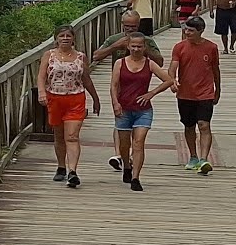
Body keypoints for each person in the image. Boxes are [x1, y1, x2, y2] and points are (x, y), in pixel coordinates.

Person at [92, 10, 163, 172]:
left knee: (136, 126)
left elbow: (159, 61)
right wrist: (116, 46)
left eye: (133, 26)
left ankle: (132, 155)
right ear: (122, 25)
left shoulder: (146, 41)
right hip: (119, 86)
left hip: (139, 87)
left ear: (139, 25)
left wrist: (142, 49)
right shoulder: (114, 39)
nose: (130, 29)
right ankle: (119, 155)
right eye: (127, 26)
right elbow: (96, 56)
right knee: (120, 122)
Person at [37, 25, 101, 188]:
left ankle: (73, 172)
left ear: (73, 38)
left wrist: (95, 98)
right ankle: (61, 166)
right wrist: (41, 92)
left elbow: (86, 78)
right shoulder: (49, 55)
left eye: (68, 36)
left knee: (72, 136)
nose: (65, 38)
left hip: (75, 98)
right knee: (59, 136)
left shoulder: (81, 57)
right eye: (61, 36)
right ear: (56, 39)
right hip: (55, 98)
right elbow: (41, 76)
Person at [110, 33, 175, 191]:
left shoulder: (150, 64)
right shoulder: (120, 63)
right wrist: (115, 104)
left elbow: (169, 80)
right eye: (133, 46)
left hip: (143, 110)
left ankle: (136, 177)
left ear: (144, 47)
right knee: (124, 145)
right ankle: (126, 166)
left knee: (138, 143)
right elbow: (113, 85)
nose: (136, 49)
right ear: (128, 46)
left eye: (139, 46)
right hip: (124, 108)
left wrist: (151, 93)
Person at [169, 16, 221, 175]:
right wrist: (172, 81)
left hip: (205, 93)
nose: (187, 33)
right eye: (186, 29)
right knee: (189, 126)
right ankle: (193, 156)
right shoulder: (179, 47)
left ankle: (204, 159)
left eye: (191, 30)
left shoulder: (211, 48)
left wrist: (217, 90)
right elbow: (173, 67)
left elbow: (215, 70)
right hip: (185, 93)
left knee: (204, 125)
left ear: (201, 31)